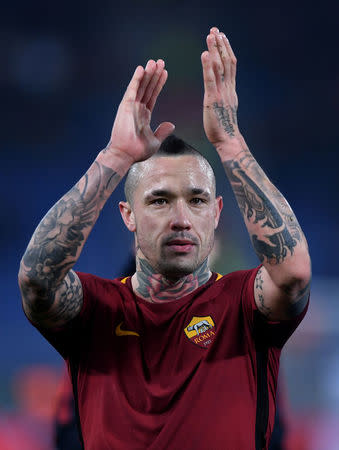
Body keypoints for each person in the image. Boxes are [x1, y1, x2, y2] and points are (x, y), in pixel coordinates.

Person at [18, 26, 311, 450]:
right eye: (158, 201)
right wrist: (116, 157)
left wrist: (229, 142)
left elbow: (293, 275)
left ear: (216, 214)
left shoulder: (242, 305)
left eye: (196, 201)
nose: (180, 219)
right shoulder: (96, 312)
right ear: (128, 216)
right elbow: (36, 281)